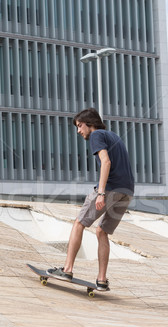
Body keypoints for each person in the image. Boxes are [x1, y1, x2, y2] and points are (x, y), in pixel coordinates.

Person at [47, 108, 134, 291]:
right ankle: (102, 280)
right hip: (127, 191)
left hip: (110, 189)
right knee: (102, 232)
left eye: (80, 126)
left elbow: (106, 161)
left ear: (90, 124)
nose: (79, 131)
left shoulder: (96, 135)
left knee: (79, 223)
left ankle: (67, 269)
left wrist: (101, 192)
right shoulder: (113, 136)